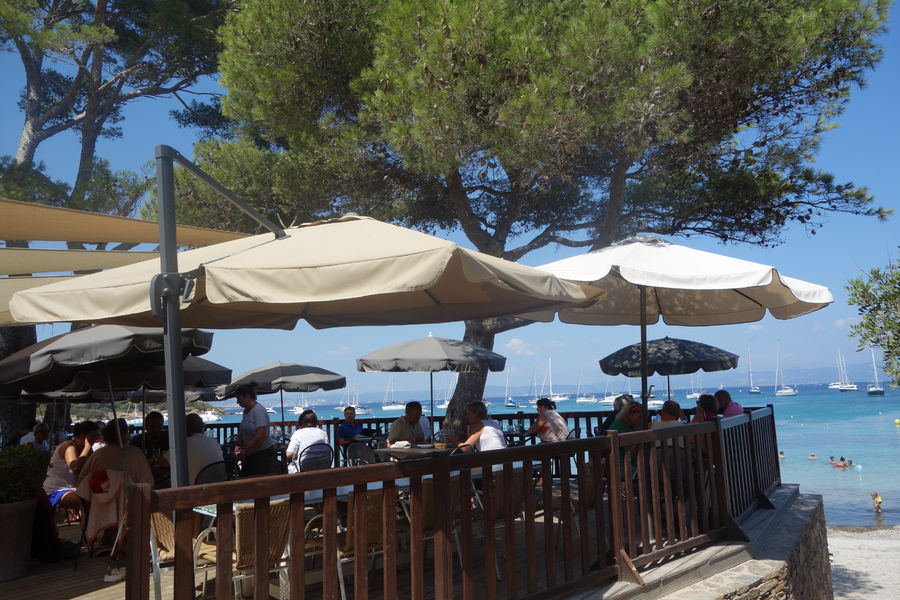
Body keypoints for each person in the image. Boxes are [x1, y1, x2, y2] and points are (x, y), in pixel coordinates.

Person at [77, 419, 153, 488]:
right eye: (127, 430)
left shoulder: (97, 455)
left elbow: (82, 481)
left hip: (100, 500)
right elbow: (148, 483)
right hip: (130, 499)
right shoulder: (135, 453)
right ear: (125, 433)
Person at [43, 421, 100, 509]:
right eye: (93, 436)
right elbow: (75, 467)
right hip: (57, 490)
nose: (96, 439)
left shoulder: (86, 450)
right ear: (83, 436)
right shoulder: (69, 446)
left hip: (75, 489)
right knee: (88, 501)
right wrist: (87, 447)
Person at [234, 382, 278, 478]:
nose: (237, 402)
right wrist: (239, 437)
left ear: (247, 396)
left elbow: (261, 435)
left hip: (262, 455)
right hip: (251, 454)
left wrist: (246, 450)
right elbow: (244, 428)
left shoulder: (258, 410)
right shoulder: (246, 411)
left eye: (239, 399)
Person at [185, 413, 225, 484]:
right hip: (219, 483)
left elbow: (164, 463)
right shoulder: (213, 441)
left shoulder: (183, 444)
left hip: (196, 487)